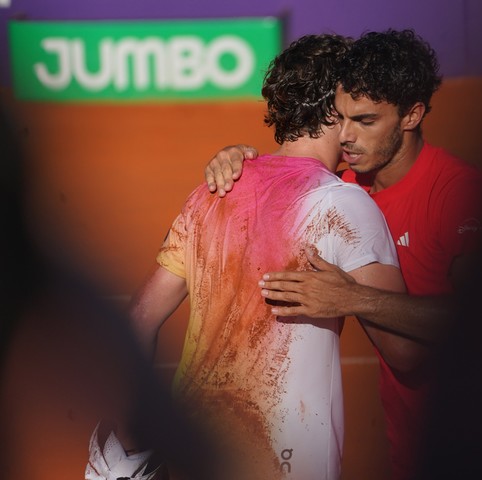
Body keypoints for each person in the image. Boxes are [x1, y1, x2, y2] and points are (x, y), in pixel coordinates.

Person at [90, 34, 405, 480]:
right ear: (337, 110)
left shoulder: (211, 193)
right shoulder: (344, 204)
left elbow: (140, 318)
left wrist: (130, 436)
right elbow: (405, 352)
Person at [203, 29, 482, 480]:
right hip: (410, 440)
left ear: (412, 115)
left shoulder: (457, 193)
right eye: (342, 117)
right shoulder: (345, 189)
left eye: (367, 121)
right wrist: (234, 158)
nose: (347, 137)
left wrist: (354, 298)